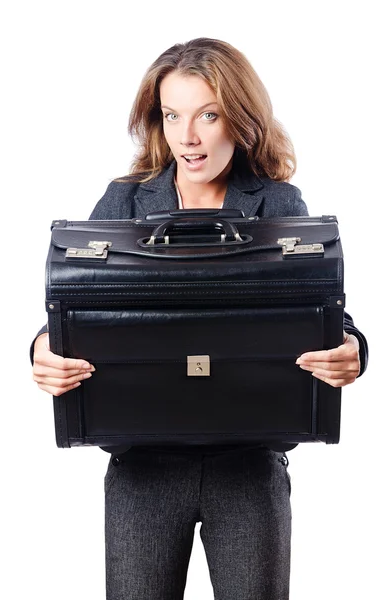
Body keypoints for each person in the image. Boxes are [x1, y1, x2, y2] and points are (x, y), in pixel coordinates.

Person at [32, 38, 368, 600]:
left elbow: (323, 310)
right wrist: (44, 348)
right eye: (171, 116)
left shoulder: (280, 203)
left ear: (238, 118)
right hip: (144, 471)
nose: (187, 137)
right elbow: (76, 303)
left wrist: (352, 347)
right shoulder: (124, 202)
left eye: (207, 115)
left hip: (250, 468)